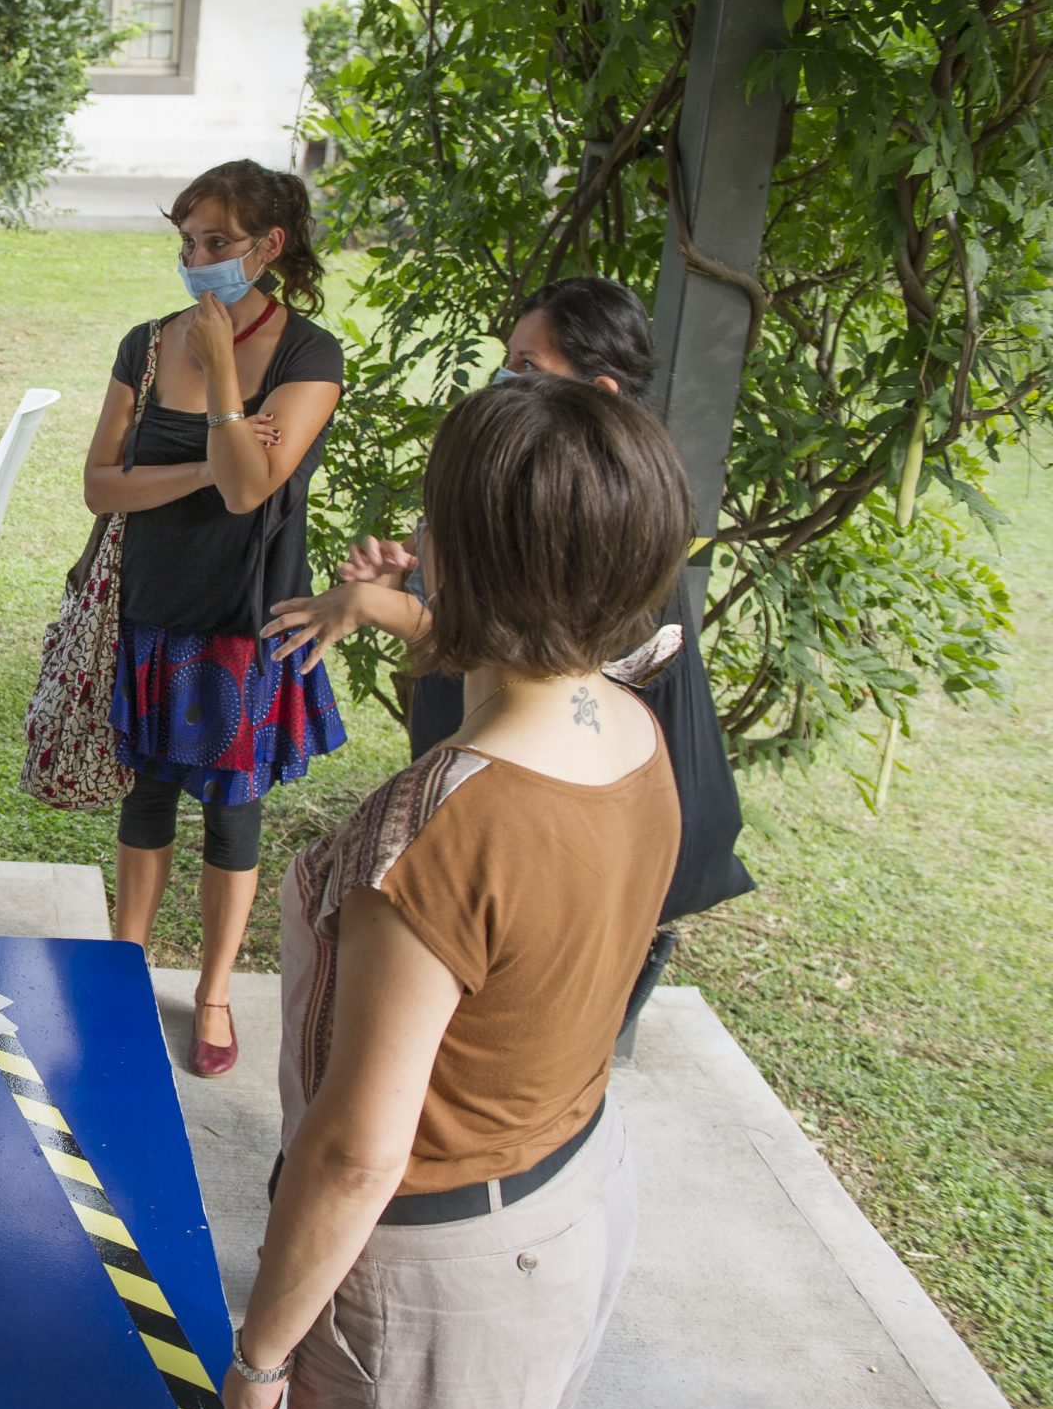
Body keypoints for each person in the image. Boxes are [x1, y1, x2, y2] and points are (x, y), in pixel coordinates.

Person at [222, 375, 690, 1409]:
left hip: (442, 1277)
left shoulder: (437, 830)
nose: (420, 536)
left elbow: (354, 1151)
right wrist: (379, 610)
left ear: (473, 557)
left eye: (439, 520)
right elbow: (512, 664)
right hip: (572, 1196)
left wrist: (263, 1346)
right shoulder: (630, 726)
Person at [259, 276, 753, 1032]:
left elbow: (535, 666)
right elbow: (492, 638)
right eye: (507, 361)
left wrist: (377, 605)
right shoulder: (575, 493)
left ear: (600, 388)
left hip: (565, 838)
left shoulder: (596, 517)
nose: (507, 382)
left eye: (527, 365)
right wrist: (412, 588)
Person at [84, 159, 348, 1077]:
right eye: (187, 242)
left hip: (247, 621)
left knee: (232, 816)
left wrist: (228, 375)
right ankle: (126, 966)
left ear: (269, 248)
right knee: (145, 798)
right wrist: (202, 462)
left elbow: (249, 491)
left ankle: (214, 992)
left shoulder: (310, 355)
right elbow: (98, 486)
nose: (196, 260)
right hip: (153, 608)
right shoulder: (146, 344)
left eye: (217, 244)